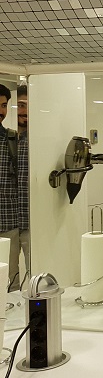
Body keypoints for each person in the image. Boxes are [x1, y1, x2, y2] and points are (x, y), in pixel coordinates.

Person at [0, 84, 19, 290]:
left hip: (8, 222)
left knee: (10, 281)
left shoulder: (12, 139)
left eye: (4, 105)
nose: (1, 111)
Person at [16, 85, 30, 287]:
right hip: (6, 221)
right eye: (20, 105)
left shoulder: (38, 142)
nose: (24, 110)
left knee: (36, 274)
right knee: (6, 277)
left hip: (32, 221)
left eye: (28, 105)